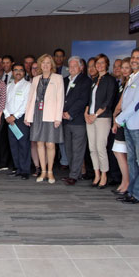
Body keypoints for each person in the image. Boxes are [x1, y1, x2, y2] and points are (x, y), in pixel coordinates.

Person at [115, 48, 139, 204]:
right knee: (132, 160)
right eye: (133, 57)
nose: (134, 60)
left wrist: (119, 118)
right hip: (129, 125)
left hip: (137, 125)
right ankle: (131, 191)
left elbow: (137, 103)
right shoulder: (132, 77)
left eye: (138, 58)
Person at [25, 54, 65, 184]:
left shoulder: (58, 78)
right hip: (37, 114)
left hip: (51, 115)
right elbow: (31, 99)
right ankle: (42, 171)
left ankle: (50, 171)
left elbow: (60, 99)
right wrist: (28, 116)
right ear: (40, 65)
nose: (46, 65)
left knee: (50, 144)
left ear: (51, 65)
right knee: (39, 143)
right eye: (43, 63)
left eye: (48, 63)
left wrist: (58, 118)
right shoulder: (36, 79)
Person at [85, 54, 118, 188]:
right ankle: (97, 174)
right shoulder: (94, 80)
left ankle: (104, 175)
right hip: (90, 117)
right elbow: (89, 100)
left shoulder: (110, 80)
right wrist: (86, 113)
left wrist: (96, 114)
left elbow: (108, 101)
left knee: (100, 147)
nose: (99, 65)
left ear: (106, 64)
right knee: (92, 148)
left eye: (102, 63)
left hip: (102, 118)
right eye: (97, 63)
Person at [61, 56, 92, 185]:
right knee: (68, 149)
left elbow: (83, 100)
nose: (72, 69)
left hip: (77, 120)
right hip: (65, 120)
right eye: (70, 66)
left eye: (75, 66)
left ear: (81, 67)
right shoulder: (64, 80)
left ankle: (74, 175)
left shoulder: (86, 81)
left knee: (77, 149)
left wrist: (70, 113)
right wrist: (62, 113)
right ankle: (75, 173)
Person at [4, 63, 31, 179]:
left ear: (24, 73)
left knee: (23, 145)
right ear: (12, 72)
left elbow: (26, 104)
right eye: (16, 70)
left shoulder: (28, 86)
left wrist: (14, 116)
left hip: (20, 119)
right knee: (13, 145)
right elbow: (3, 102)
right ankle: (17, 168)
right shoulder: (8, 86)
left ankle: (25, 170)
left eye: (21, 70)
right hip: (9, 120)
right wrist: (6, 115)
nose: (18, 72)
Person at [111, 57, 132, 196]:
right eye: (122, 67)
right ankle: (125, 181)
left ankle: (127, 182)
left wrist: (115, 117)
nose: (123, 70)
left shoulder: (131, 82)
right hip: (120, 121)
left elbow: (121, 105)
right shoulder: (123, 82)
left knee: (122, 153)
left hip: (125, 121)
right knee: (118, 152)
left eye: (126, 67)